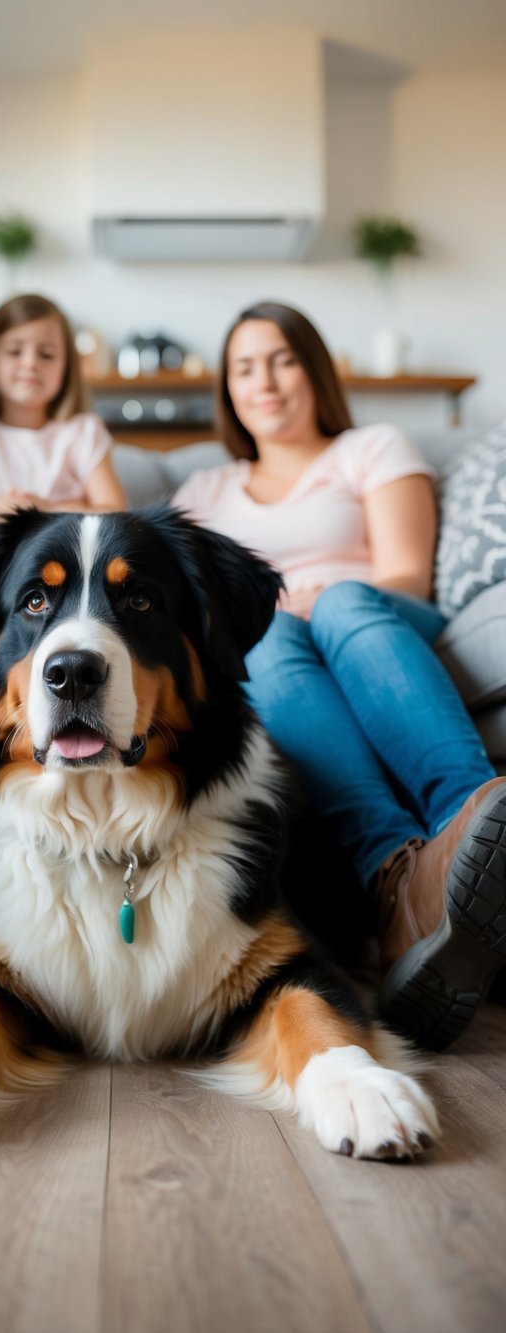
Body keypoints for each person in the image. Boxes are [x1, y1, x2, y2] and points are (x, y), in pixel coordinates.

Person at [172, 299, 506, 1050]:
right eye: (245, 367)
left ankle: (476, 820)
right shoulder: (202, 494)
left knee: (340, 601)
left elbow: (406, 576)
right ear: (228, 388)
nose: (266, 381)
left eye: (282, 359)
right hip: (281, 651)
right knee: (268, 637)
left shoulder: (372, 447)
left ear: (314, 369)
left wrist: (319, 596)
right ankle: (398, 877)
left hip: (375, 625)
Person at [0, 293, 126, 515]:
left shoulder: (83, 431)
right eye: (15, 352)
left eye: (47, 354)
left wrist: (45, 509)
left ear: (66, 366)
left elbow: (117, 512)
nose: (30, 363)